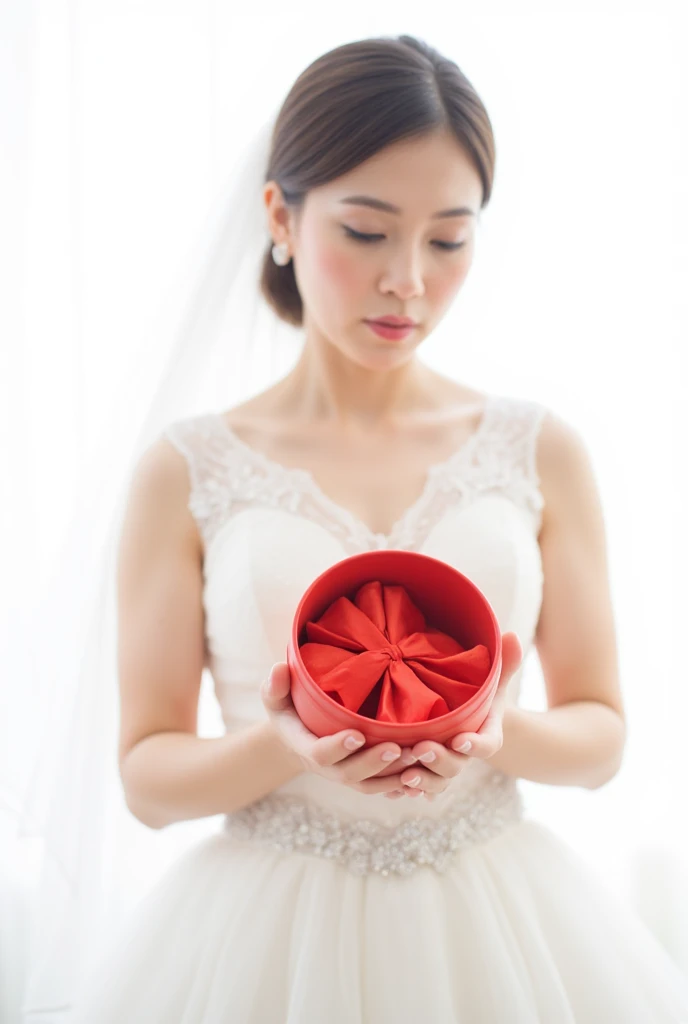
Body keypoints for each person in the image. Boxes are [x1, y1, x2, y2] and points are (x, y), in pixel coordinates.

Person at [24, 33, 688, 1023]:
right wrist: (288, 743)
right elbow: (147, 778)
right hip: (263, 933)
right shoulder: (187, 469)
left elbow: (599, 736)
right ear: (280, 218)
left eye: (448, 239)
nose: (408, 281)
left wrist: (493, 732)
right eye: (368, 232)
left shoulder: (539, 450)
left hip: (497, 913)